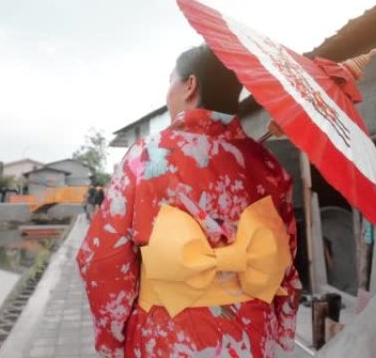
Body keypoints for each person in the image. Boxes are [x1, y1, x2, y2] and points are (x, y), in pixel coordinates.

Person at [77, 45, 300, 358]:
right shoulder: (267, 165)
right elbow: (284, 257)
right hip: (252, 334)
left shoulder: (147, 155)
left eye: (171, 81)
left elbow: (101, 259)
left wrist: (112, 339)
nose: (168, 92)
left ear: (190, 86)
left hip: (170, 334)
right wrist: (282, 326)